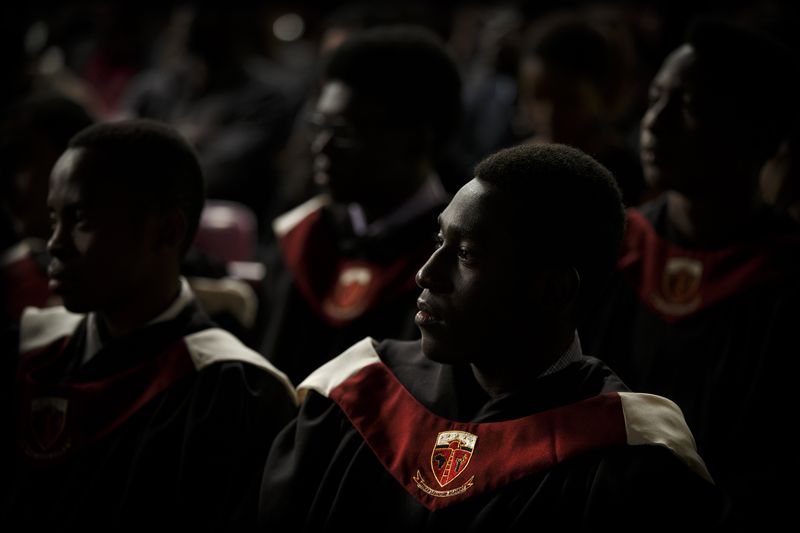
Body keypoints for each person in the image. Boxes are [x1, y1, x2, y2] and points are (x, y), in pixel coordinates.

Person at [258, 143, 723, 531]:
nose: (426, 273)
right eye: (438, 240)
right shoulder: (359, 396)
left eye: (466, 254)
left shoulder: (626, 464)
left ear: (553, 290)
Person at [1, 119, 297, 531]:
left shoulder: (234, 392)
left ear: (166, 232)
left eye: (82, 219)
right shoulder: (31, 351)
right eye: (54, 219)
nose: (55, 244)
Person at [578, 18, 800, 531]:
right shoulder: (616, 247)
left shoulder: (784, 280)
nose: (653, 122)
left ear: (761, 135)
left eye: (691, 106)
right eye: (655, 98)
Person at [257, 25, 462, 385]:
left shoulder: (452, 262)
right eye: (320, 127)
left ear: (416, 141)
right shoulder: (306, 237)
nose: (322, 147)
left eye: (345, 133)